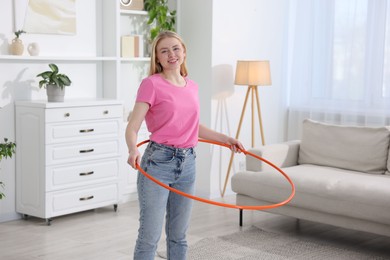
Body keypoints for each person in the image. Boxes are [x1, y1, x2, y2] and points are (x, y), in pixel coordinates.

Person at [125, 30, 244, 260]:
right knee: (149, 237)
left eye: (176, 48)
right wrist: (133, 149)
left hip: (188, 162)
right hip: (158, 162)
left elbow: (194, 126)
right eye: (164, 51)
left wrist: (226, 139)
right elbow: (132, 127)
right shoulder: (151, 84)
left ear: (184, 52)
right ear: (157, 58)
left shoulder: (192, 86)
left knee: (179, 235)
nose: (171, 54)